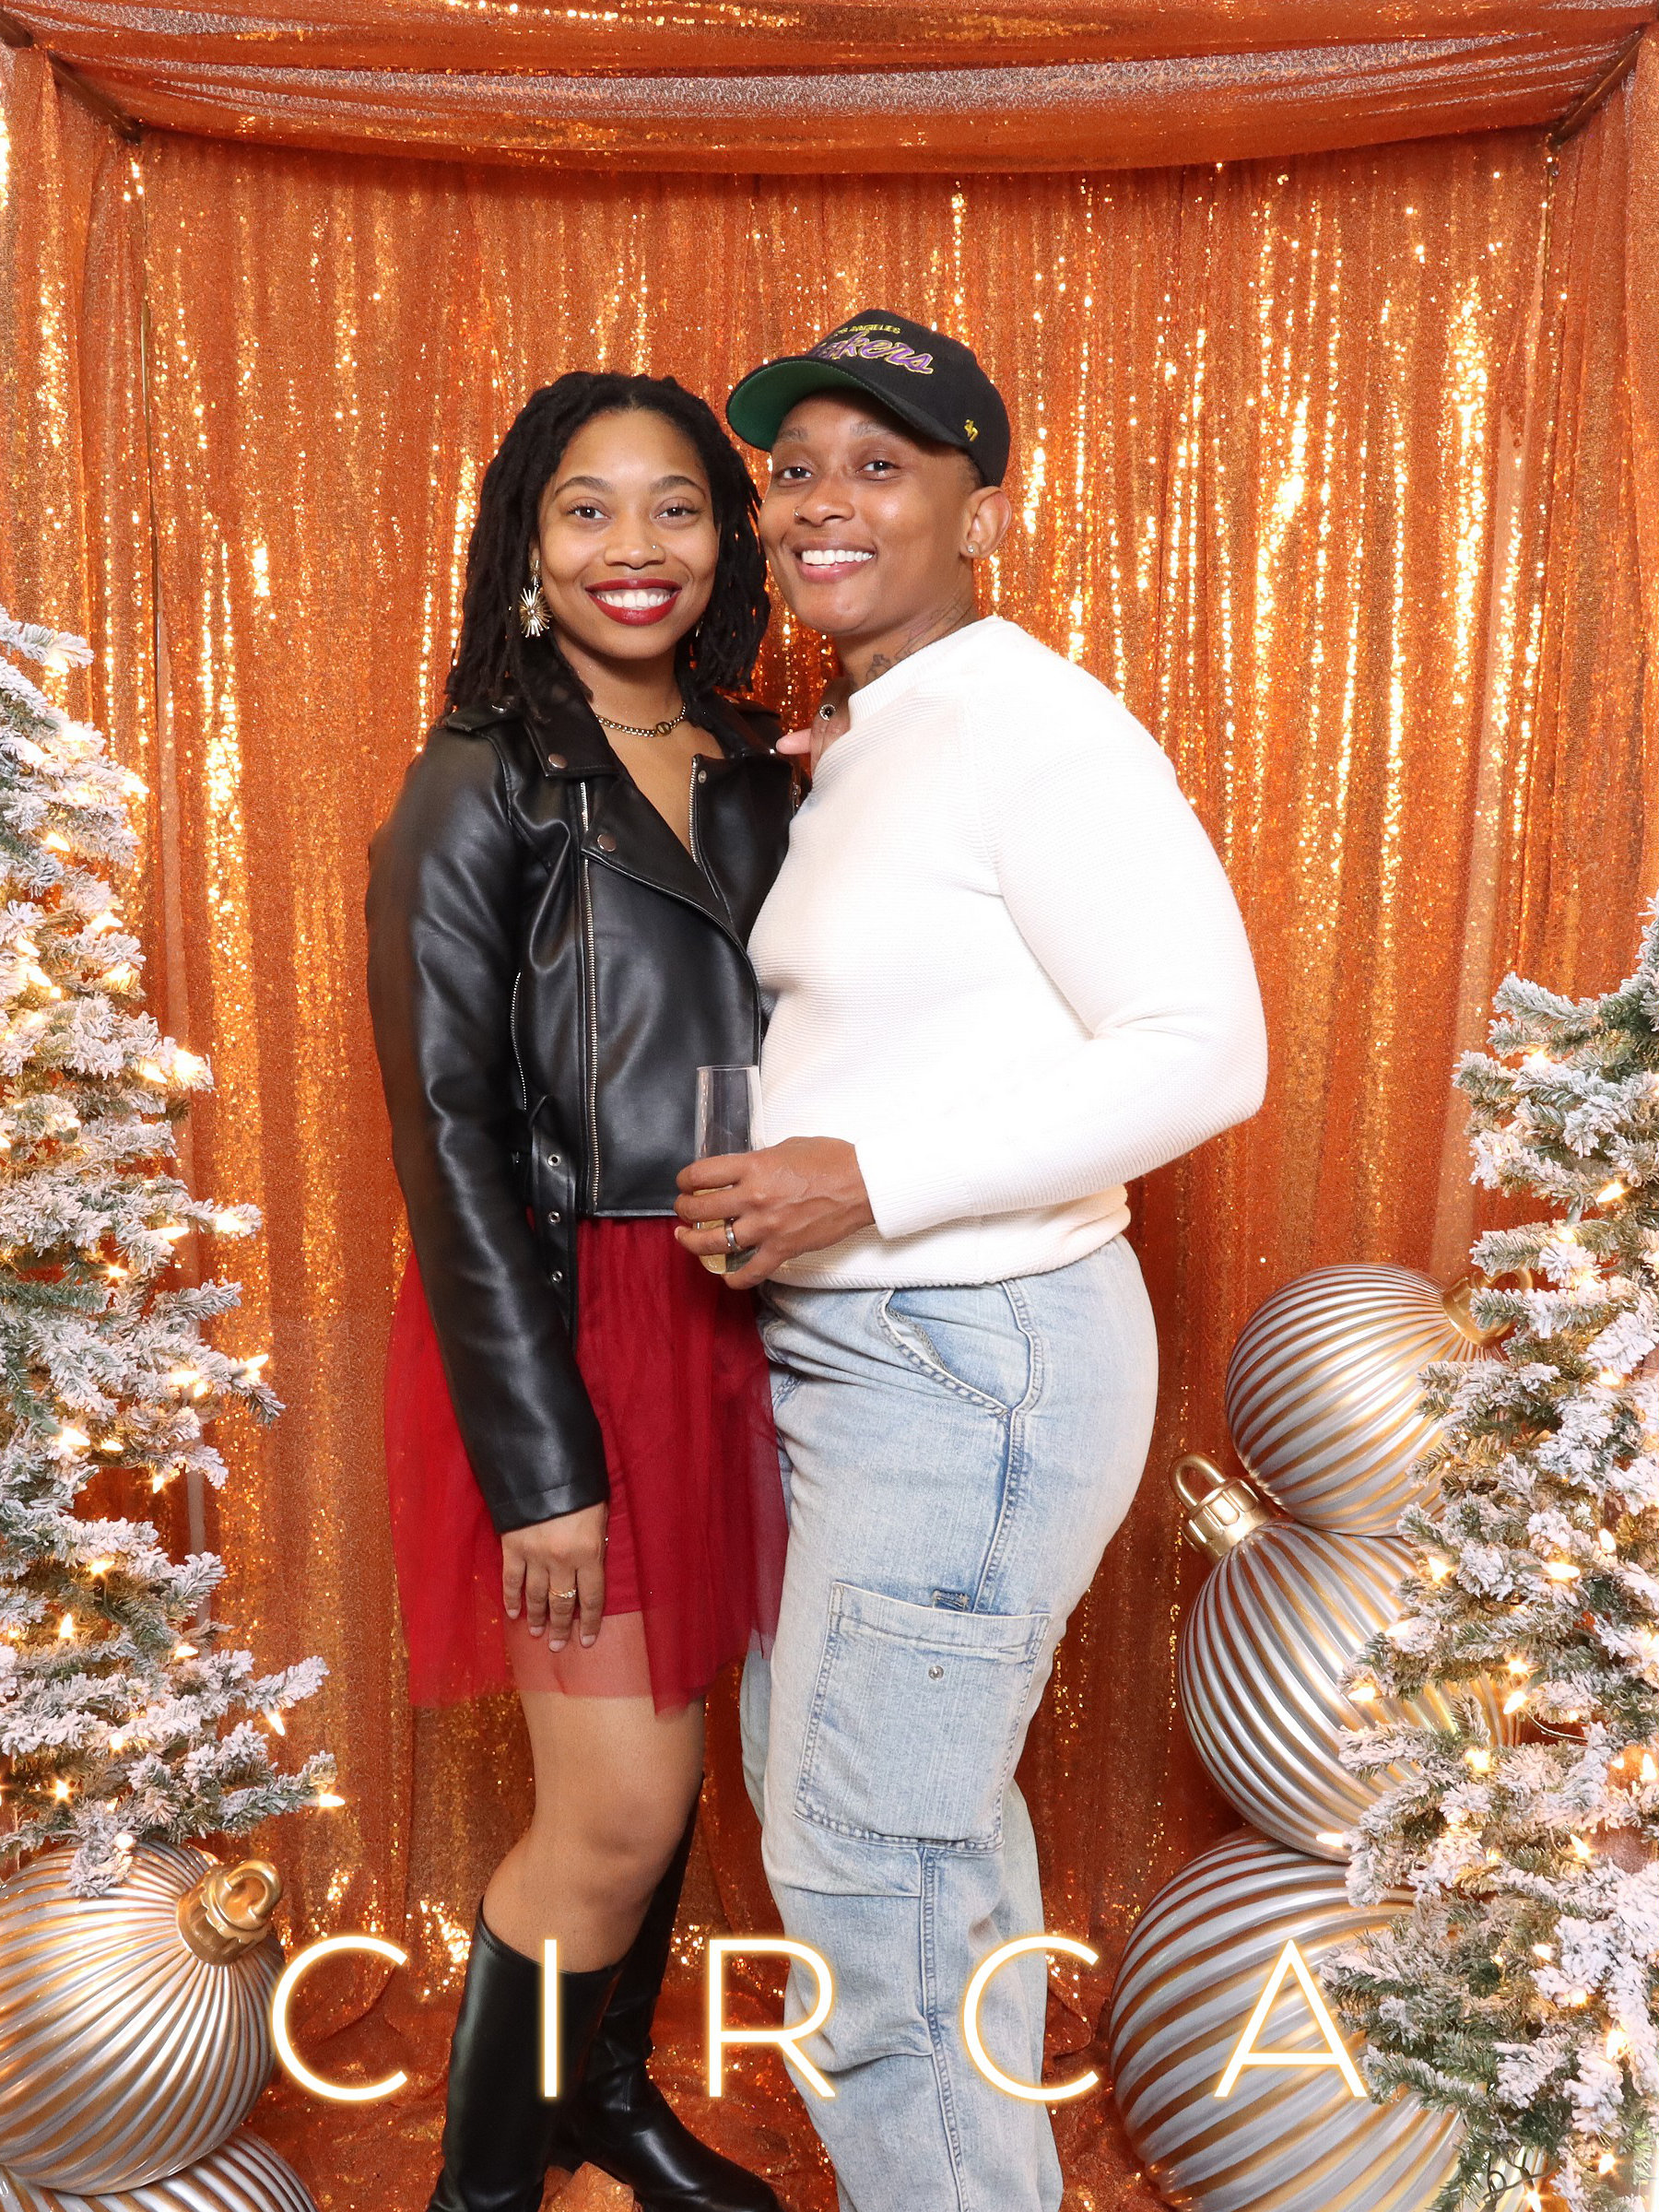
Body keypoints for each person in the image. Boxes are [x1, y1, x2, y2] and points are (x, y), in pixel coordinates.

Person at [674, 312, 1269, 2212]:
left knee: (877, 1875)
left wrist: (868, 1175)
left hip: (973, 1358)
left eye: (883, 464)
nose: (820, 503)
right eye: (794, 470)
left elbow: (1206, 1050)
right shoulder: (879, 733)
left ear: (982, 512)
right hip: (871, 1356)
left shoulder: (1035, 727)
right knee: (902, 1850)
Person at [366, 371, 794, 2212]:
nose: (637, 546)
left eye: (677, 504)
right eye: (588, 508)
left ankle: (602, 2098)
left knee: (674, 1765)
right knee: (609, 1809)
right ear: (526, 547)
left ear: (727, 538)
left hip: (744, 1307)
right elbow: (447, 1137)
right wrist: (540, 1465)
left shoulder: (763, 763)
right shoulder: (476, 779)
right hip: (566, 1319)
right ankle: (478, 2197)